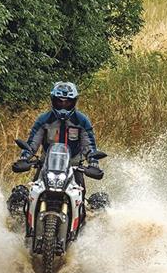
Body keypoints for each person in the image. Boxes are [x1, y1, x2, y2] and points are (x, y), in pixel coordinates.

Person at [7, 82, 105, 216]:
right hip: (46, 165)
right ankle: (20, 223)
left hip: (73, 166)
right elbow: (32, 143)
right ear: (53, 101)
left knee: (80, 202)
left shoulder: (82, 121)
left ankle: (81, 225)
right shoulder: (44, 119)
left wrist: (93, 162)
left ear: (74, 102)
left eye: (67, 102)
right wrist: (25, 157)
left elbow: (89, 145)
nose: (63, 105)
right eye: (59, 102)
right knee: (30, 195)